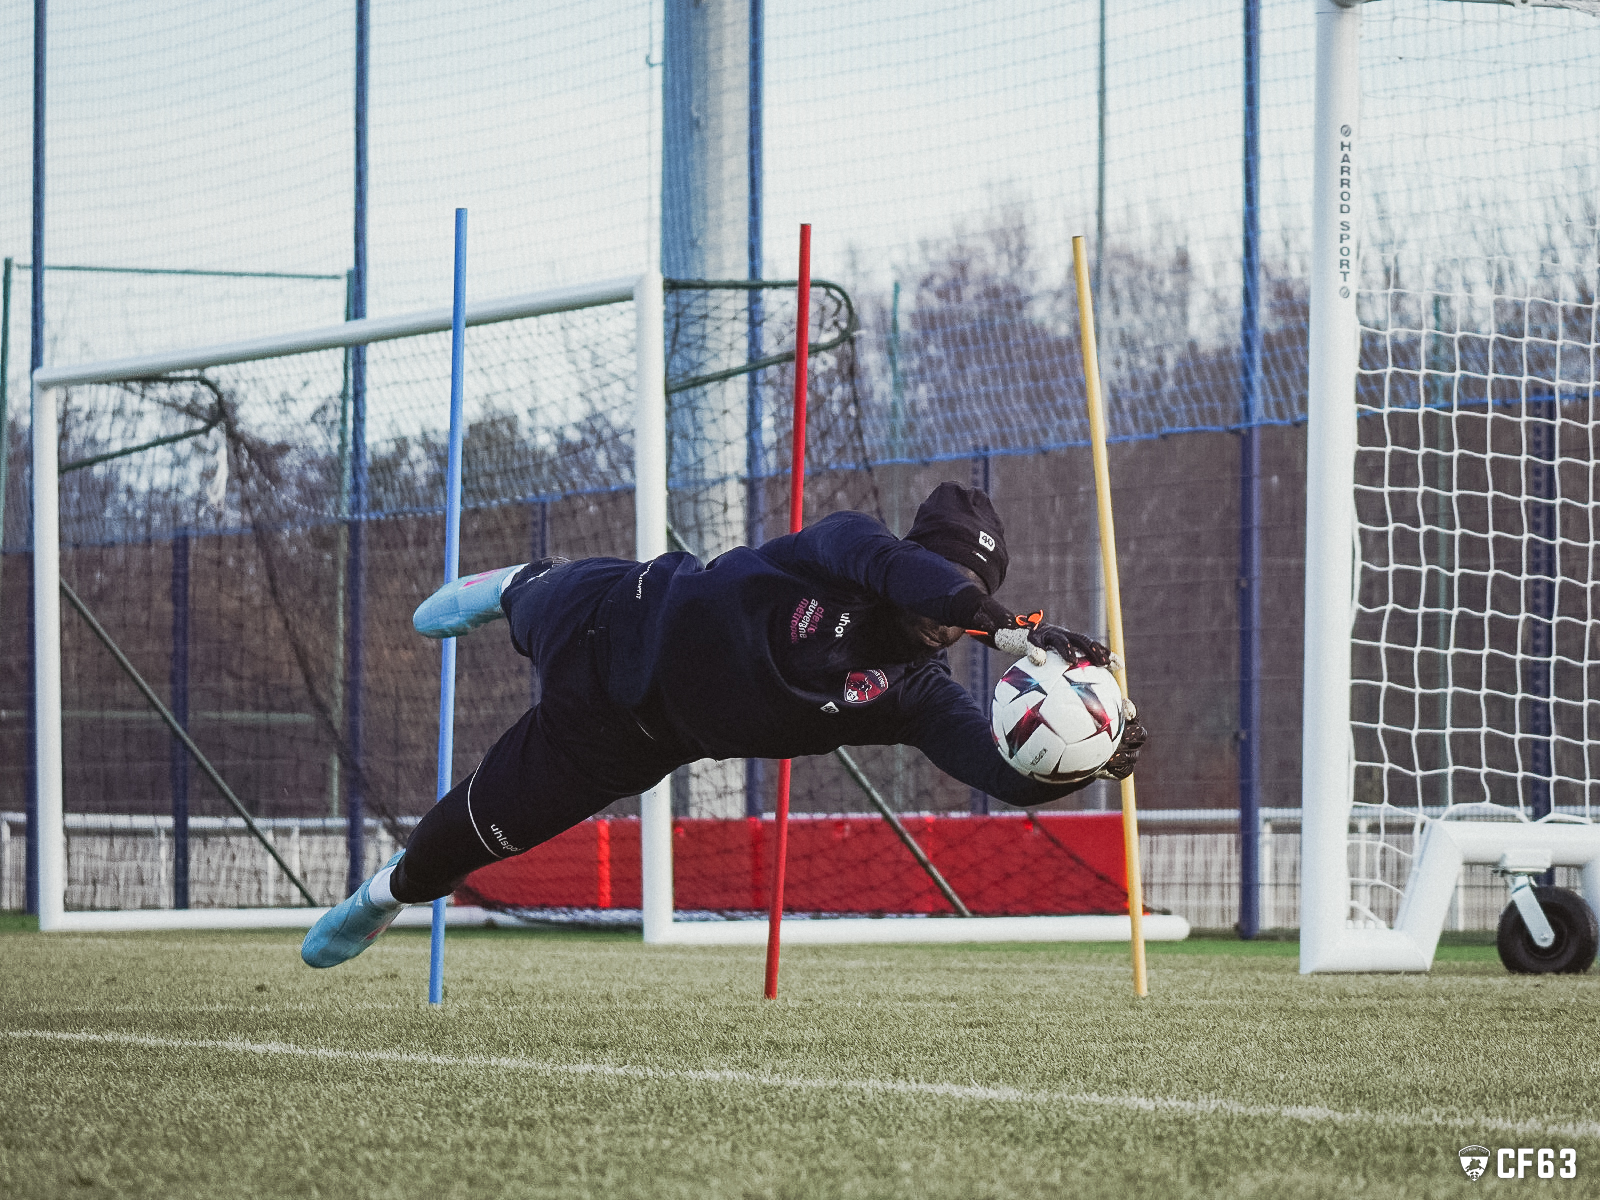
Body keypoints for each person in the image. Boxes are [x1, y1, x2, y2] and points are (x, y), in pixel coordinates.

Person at [302, 482, 1147, 966]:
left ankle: (384, 895)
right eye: (950, 581)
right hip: (615, 610)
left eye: (969, 593)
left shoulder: (913, 693)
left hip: (622, 743)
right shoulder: (854, 547)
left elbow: (1002, 770)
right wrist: (1004, 623)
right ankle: (510, 583)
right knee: (529, 598)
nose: (948, 614)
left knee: (464, 843)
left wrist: (1091, 757)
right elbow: (905, 573)